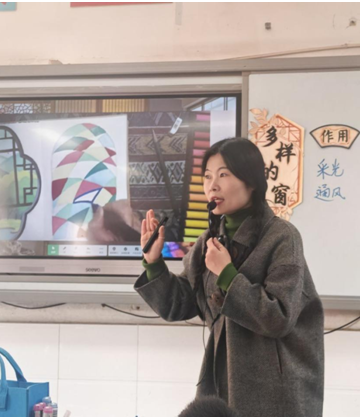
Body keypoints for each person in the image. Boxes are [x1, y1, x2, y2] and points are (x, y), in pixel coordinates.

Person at [134, 137, 324, 417]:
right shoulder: (209, 240)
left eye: (223, 175)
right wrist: (153, 262)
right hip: (221, 387)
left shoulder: (282, 237)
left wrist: (227, 275)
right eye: (207, 176)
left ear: (251, 182)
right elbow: (179, 304)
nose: (212, 185)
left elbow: (278, 318)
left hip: (275, 394)